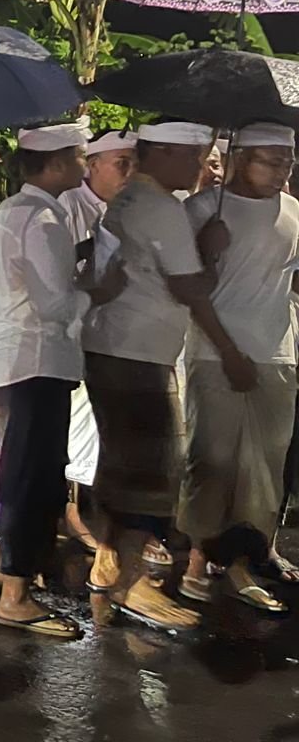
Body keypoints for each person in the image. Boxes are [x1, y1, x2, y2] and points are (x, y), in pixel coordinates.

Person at [82, 120, 241, 633]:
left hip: (112, 345)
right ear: (166, 153)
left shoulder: (128, 198)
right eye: (193, 156)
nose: (198, 167)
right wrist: (211, 250)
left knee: (121, 462)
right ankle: (132, 583)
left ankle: (109, 565)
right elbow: (188, 286)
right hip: (139, 352)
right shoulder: (160, 206)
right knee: (151, 471)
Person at [0, 122, 125, 639]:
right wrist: (100, 289)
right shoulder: (41, 218)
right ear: (56, 163)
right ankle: (14, 597)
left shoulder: (17, 211)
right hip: (34, 363)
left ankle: (9, 577)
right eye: (81, 157)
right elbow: (55, 304)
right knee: (29, 480)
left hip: (19, 364)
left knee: (22, 475)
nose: (85, 165)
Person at [178, 123, 299, 613]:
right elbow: (187, 289)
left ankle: (243, 559)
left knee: (265, 468)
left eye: (288, 161)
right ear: (241, 157)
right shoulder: (202, 210)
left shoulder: (293, 213)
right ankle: (195, 560)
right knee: (211, 461)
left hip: (276, 353)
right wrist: (228, 351)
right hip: (214, 354)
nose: (283, 171)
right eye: (272, 160)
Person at [58, 131, 140, 555]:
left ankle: (95, 510)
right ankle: (69, 511)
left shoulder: (130, 207)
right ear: (92, 165)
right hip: (73, 328)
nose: (129, 172)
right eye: (121, 163)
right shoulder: (69, 205)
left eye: (134, 163)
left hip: (117, 330)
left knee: (101, 423)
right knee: (75, 420)